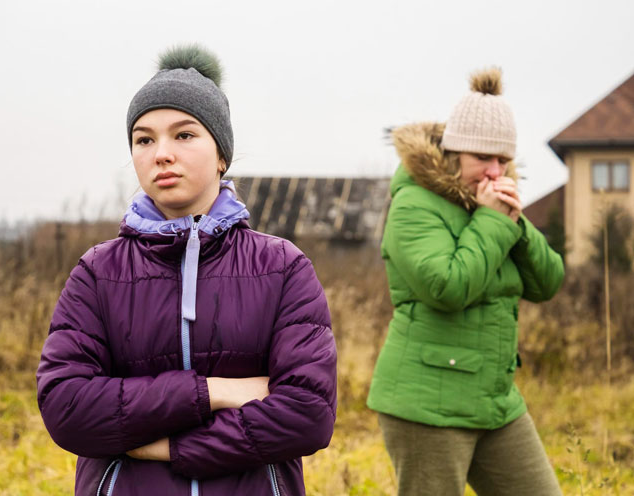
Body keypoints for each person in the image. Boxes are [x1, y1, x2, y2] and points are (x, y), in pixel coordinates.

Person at [36, 45, 336, 496]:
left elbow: (307, 415)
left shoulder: (283, 268)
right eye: (144, 139)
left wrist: (168, 447)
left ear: (221, 155)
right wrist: (212, 392)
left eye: (184, 135)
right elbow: (67, 408)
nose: (161, 154)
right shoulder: (98, 273)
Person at [366, 68, 564, 495]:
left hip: (494, 402)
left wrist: (517, 224)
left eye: (502, 160)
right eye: (482, 159)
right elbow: (447, 287)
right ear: (454, 154)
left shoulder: (492, 206)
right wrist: (494, 221)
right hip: (426, 406)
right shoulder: (414, 206)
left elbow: (547, 282)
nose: (495, 172)